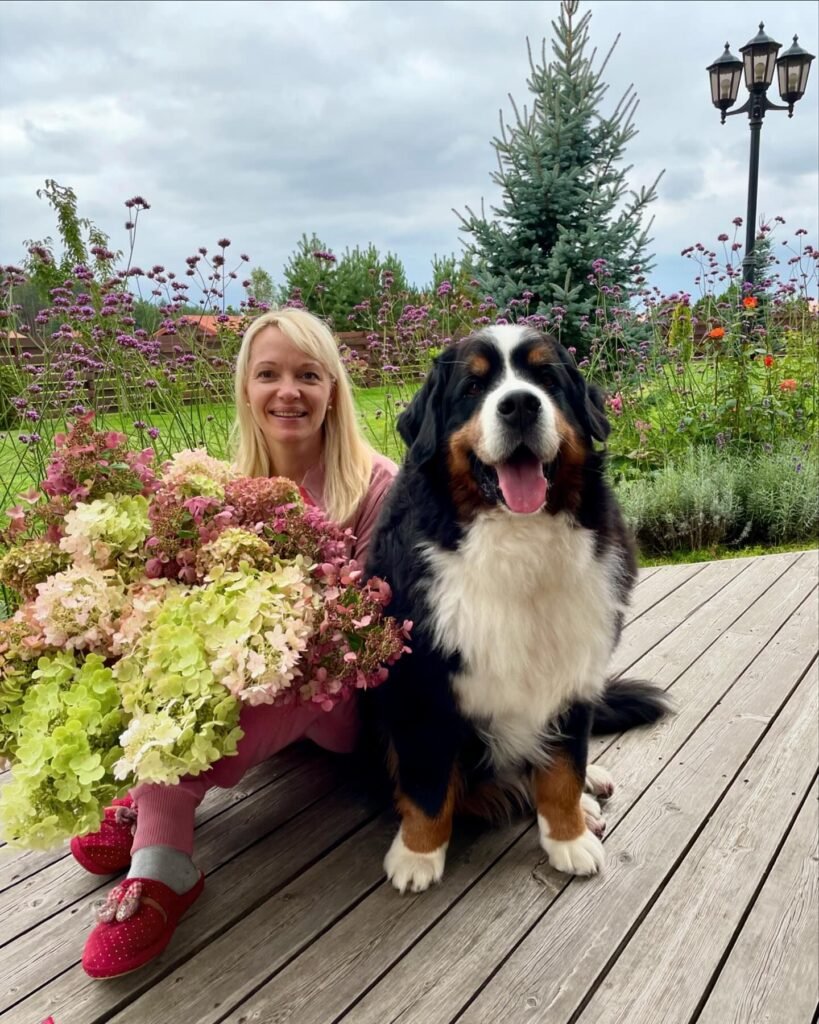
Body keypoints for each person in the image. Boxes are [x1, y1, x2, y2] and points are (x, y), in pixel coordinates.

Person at [72, 308, 398, 979]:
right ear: (246, 390)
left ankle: (164, 861)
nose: (289, 391)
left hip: (341, 707)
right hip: (254, 703)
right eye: (269, 374)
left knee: (294, 658)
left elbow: (365, 628)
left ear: (333, 388)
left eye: (308, 375)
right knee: (167, 645)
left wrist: (276, 619)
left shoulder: (377, 485)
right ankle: (159, 796)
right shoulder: (221, 484)